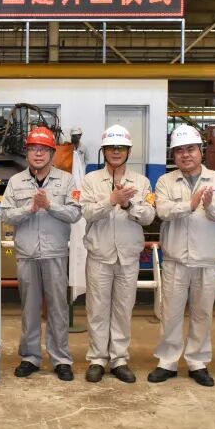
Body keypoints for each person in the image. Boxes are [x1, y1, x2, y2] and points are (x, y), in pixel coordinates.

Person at [149, 124, 215, 387]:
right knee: (171, 313)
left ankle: (198, 362)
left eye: (190, 149)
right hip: (175, 259)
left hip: (206, 259)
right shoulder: (165, 181)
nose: (185, 155)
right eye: (179, 151)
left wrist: (211, 206)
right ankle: (167, 361)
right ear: (173, 155)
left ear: (201, 151)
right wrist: (190, 205)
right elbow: (162, 211)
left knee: (202, 313)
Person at [0, 126, 82, 381]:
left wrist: (49, 205)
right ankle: (30, 357)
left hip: (55, 254)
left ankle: (61, 359)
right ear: (27, 153)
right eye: (33, 149)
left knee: (58, 308)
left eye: (43, 149)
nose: (38, 154)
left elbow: (75, 213)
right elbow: (5, 214)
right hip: (26, 254)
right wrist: (30, 208)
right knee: (30, 308)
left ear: (52, 153)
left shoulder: (67, 181)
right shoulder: (16, 182)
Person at [79, 125, 155, 383]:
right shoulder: (91, 180)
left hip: (128, 257)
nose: (115, 152)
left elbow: (149, 216)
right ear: (104, 151)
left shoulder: (142, 182)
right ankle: (98, 359)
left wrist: (128, 204)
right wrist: (110, 200)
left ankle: (119, 359)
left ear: (128, 151)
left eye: (121, 148)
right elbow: (86, 212)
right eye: (111, 147)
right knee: (97, 309)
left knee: (123, 309)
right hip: (99, 255)